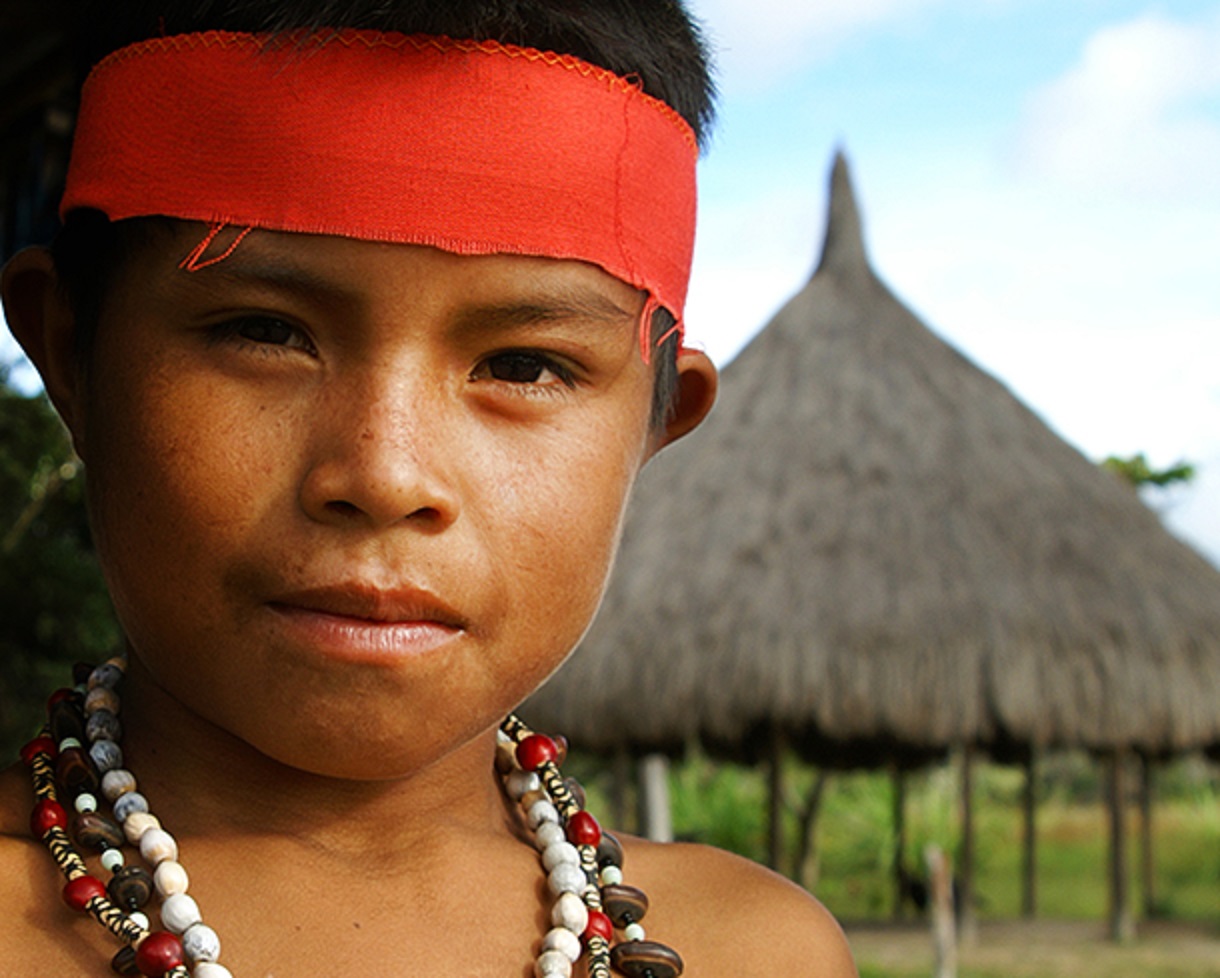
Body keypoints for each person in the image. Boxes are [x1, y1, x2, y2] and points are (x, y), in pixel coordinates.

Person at [0, 2, 857, 975]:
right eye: (264, 332)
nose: (384, 474)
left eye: (525, 363)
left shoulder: (755, 951)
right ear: (72, 358)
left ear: (658, 424)